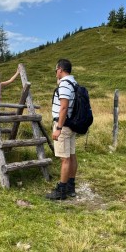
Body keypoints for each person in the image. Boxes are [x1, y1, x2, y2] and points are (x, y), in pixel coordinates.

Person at [46, 59, 77, 200]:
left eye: (56, 70)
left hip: (63, 125)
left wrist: (58, 127)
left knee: (64, 159)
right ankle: (71, 187)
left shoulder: (65, 84)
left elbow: (63, 107)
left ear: (60, 69)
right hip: (71, 124)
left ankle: (61, 191)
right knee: (71, 156)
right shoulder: (72, 82)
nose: (55, 73)